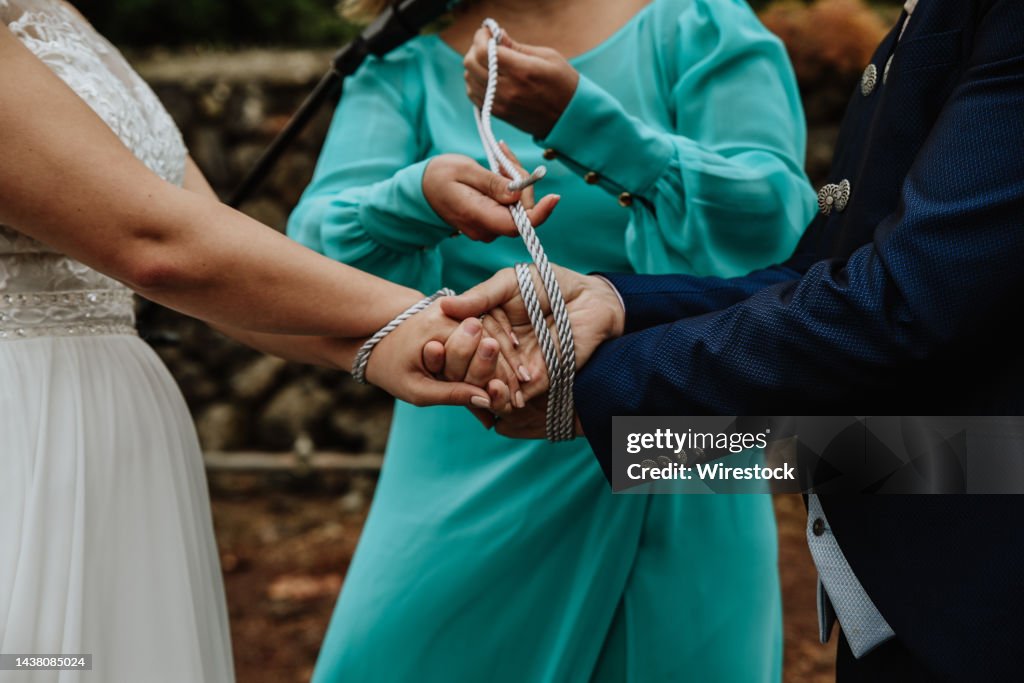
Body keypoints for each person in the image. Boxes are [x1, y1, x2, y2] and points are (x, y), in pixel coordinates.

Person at [442, 0, 1024, 679]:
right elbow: (827, 272)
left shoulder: (704, 23)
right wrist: (618, 301)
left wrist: (599, 389)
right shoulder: (406, 46)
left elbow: (877, 289)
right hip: (827, 476)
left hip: (944, 543)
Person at [288, 0, 815, 679]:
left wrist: (588, 126)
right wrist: (415, 197)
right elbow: (311, 267)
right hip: (471, 457)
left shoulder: (699, 25)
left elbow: (778, 230)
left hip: (680, 447)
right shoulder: (400, 69)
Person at [0, 3, 527, 680]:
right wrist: (419, 284)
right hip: (28, 436)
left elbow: (215, 262)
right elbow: (164, 246)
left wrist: (370, 344)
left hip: (670, 419)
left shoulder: (58, 14)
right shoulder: (403, 66)